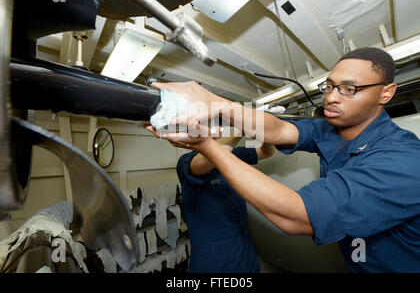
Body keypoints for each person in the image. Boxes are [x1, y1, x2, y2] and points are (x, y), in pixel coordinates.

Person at [144, 47, 420, 272]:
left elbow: (296, 216)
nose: (331, 98)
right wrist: (218, 104)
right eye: (329, 86)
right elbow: (278, 130)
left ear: (386, 92)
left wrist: (207, 145)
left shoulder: (404, 161)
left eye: (348, 89)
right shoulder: (331, 129)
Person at [177, 128, 275, 273]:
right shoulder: (187, 162)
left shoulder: (234, 155)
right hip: (214, 262)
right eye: (206, 129)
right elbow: (208, 158)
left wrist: (264, 131)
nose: (214, 132)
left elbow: (267, 152)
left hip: (246, 256)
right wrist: (243, 126)